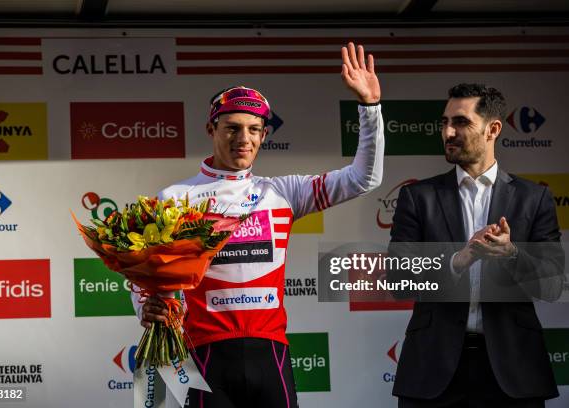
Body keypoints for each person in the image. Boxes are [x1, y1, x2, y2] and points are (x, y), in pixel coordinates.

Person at [132, 42, 385, 407]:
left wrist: (370, 108)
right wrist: (147, 306)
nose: (243, 139)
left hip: (271, 355)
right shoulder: (175, 197)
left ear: (265, 135)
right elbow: (140, 273)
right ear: (211, 129)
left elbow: (365, 178)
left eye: (254, 129)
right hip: (204, 355)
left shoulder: (284, 192)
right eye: (232, 128)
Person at [388, 83, 565, 407]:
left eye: (461, 122)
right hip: (432, 370)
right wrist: (459, 259)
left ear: (493, 129)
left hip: (514, 372)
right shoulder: (418, 197)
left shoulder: (534, 198)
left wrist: (512, 254)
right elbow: (398, 278)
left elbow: (552, 285)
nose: (448, 132)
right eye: (444, 122)